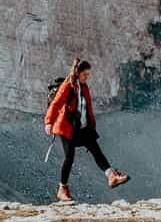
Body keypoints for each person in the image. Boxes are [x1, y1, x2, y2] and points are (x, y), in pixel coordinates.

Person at [44, 58, 129, 202]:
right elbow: (56, 104)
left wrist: (92, 127)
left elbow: (87, 108)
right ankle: (62, 189)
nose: (87, 77)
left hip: (82, 128)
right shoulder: (67, 86)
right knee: (69, 158)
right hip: (66, 128)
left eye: (88, 75)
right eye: (85, 74)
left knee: (96, 149)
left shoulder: (84, 87)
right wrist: (48, 122)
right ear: (77, 73)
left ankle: (111, 176)